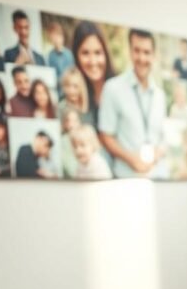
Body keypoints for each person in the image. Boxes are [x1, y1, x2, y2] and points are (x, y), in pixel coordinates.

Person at [98, 28, 167, 178]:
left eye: (147, 52)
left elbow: (163, 138)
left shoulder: (160, 95)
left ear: (153, 55)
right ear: (130, 52)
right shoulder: (112, 88)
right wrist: (131, 159)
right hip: (126, 179)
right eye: (137, 51)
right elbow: (105, 136)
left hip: (158, 178)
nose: (142, 58)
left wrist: (157, 153)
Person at [71, 21, 116, 123]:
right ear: (76, 56)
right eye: (85, 53)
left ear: (105, 54)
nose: (93, 61)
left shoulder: (120, 88)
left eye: (98, 53)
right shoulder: (73, 95)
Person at [45, 21, 76, 94]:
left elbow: (73, 73)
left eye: (56, 36)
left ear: (61, 36)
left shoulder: (69, 54)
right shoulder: (50, 56)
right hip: (58, 93)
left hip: (69, 91)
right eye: (51, 37)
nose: (54, 39)